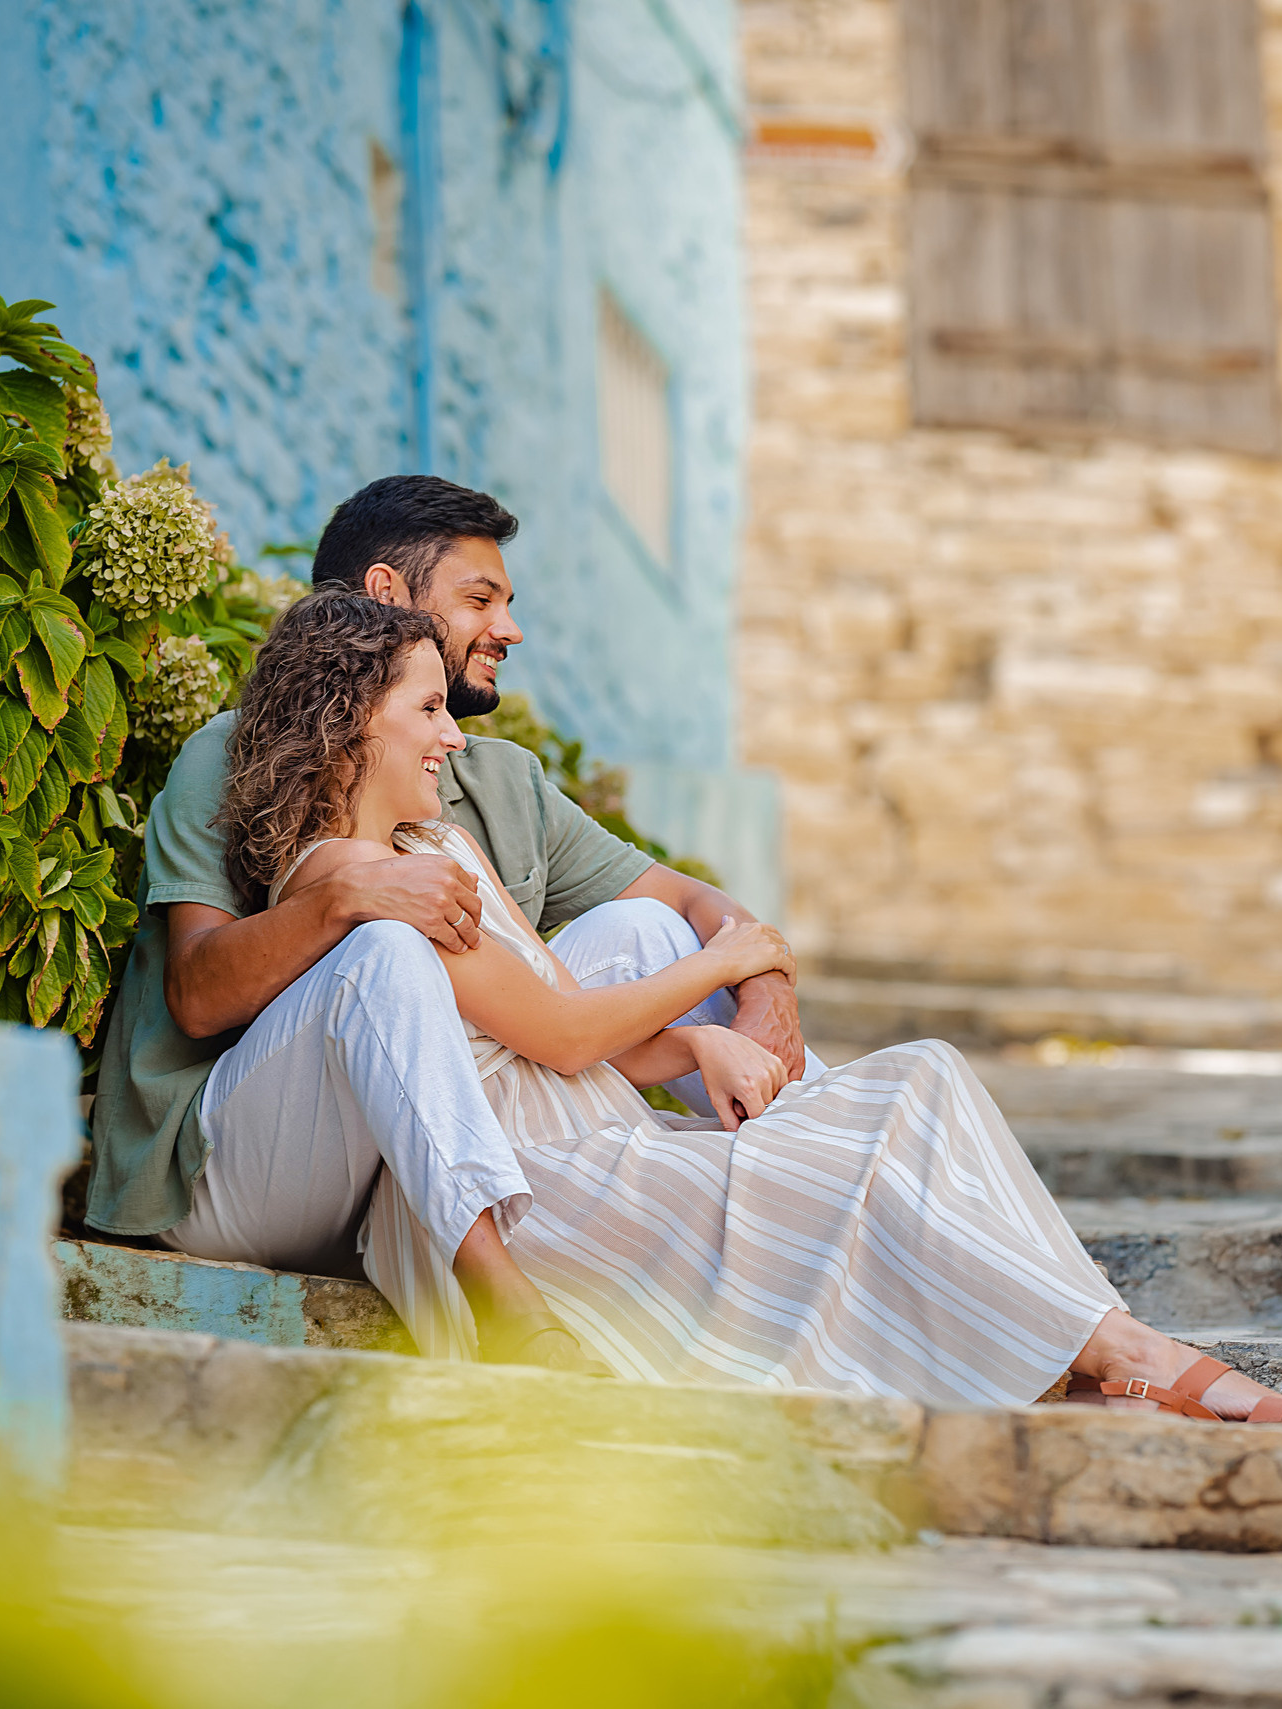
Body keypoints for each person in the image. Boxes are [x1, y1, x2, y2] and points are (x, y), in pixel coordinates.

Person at [208, 586, 1282, 1421]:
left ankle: (1105, 1345)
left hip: (590, 1127)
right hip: (532, 1187)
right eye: (426, 709)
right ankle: (1138, 1359)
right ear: (355, 720)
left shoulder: (440, 840)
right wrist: (727, 959)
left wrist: (696, 1034)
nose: (454, 734)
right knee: (854, 1160)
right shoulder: (341, 882)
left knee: (924, 1075)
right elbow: (558, 1034)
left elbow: (555, 1006)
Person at [90, 477, 815, 1369]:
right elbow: (198, 997)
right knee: (391, 951)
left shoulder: (486, 788)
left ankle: (792, 1171)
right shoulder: (237, 754)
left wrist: (759, 988)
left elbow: (672, 926)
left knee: (650, 935)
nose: (509, 629)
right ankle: (516, 1309)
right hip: (244, 1158)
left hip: (408, 1158)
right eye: (482, 600)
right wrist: (347, 899)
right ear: (388, 598)